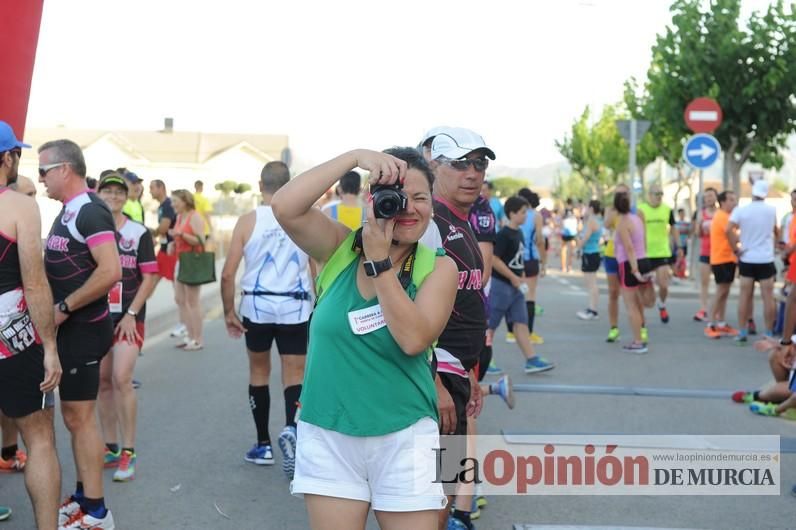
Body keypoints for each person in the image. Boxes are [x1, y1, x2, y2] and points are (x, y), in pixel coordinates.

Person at [272, 147, 456, 530]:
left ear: (432, 208)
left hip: (404, 436)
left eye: (420, 198)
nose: (408, 208)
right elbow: (285, 206)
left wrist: (379, 262)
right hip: (328, 431)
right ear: (373, 201)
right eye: (398, 197)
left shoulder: (438, 267)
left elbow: (413, 340)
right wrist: (354, 157)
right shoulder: (339, 248)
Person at [39, 139, 120, 529]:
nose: (41, 181)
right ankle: (85, 496)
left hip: (84, 330)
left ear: (64, 169)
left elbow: (110, 271)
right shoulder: (67, 211)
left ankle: (98, 512)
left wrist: (64, 307)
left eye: (44, 172)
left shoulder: (89, 211)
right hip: (72, 331)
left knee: (80, 418)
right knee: (74, 417)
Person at [418, 127, 494, 530]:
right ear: (435, 167)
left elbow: (463, 305)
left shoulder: (462, 221)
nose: (471, 173)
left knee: (443, 484)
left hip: (455, 373)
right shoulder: (427, 223)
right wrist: (436, 385)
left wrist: (469, 372)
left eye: (479, 164)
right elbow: (405, 314)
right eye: (460, 163)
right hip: (432, 378)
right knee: (431, 490)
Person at [221, 161, 311, 478]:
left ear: (261, 185)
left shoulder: (248, 221)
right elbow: (317, 265)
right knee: (295, 375)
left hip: (256, 307)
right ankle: (292, 431)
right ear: (289, 185)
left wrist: (229, 311)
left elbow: (229, 272)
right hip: (296, 306)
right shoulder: (304, 219)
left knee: (259, 371)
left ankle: (263, 445)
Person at [0, 122, 62, 530]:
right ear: (7, 158)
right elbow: (34, 281)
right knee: (38, 439)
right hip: (14, 336)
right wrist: (51, 346)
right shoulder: (20, 206)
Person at [95, 173, 158, 483]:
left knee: (122, 378)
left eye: (118, 191)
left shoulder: (138, 232)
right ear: (97, 193)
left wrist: (132, 312)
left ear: (127, 196)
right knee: (102, 382)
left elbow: (150, 277)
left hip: (128, 319)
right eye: (107, 190)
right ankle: (109, 445)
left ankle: (128, 452)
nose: (113, 196)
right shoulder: (89, 229)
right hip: (95, 318)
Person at [490, 195, 555, 375]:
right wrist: (512, 276)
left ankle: (531, 360)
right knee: (490, 325)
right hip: (501, 285)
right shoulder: (503, 234)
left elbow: (518, 259)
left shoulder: (519, 233)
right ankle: (484, 359)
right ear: (512, 213)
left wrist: (522, 276)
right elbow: (494, 259)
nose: (526, 216)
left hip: (516, 286)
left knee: (521, 322)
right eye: (522, 212)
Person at [727, 179, 778, 343]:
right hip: (765, 258)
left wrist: (736, 248)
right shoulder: (771, 210)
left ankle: (742, 332)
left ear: (752, 192)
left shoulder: (741, 210)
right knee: (768, 297)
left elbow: (728, 230)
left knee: (744, 296)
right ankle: (769, 333)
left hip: (747, 258)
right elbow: (775, 231)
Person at [615, 191, 655, 353]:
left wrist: (635, 269)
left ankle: (638, 342)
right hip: (644, 259)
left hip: (629, 265)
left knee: (631, 305)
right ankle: (641, 336)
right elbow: (642, 243)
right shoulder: (637, 219)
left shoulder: (623, 223)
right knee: (639, 304)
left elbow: (629, 248)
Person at [169, 189, 206, 350]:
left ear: (184, 201)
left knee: (193, 302)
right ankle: (189, 336)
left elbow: (201, 241)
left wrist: (181, 235)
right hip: (180, 261)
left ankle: (197, 339)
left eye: (175, 201)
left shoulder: (195, 216)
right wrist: (173, 242)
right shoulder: (179, 217)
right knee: (179, 299)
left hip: (192, 262)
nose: (173, 204)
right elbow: (178, 236)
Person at [637, 183, 676, 324]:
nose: (659, 197)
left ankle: (662, 304)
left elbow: (673, 227)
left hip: (662, 252)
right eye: (656, 194)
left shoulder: (667, 209)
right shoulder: (641, 209)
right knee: (642, 288)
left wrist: (678, 246)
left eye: (661, 194)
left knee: (664, 284)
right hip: (644, 253)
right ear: (649, 195)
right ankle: (641, 318)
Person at [704, 191, 739, 339]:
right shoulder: (722, 216)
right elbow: (732, 235)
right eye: (730, 200)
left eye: (734, 199)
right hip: (720, 259)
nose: (734, 202)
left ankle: (721, 323)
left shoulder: (728, 216)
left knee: (725, 293)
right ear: (722, 202)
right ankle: (710, 324)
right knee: (720, 292)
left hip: (729, 258)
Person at [149, 180, 182, 337]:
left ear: (161, 188)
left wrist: (148, 233)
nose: (149, 191)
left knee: (179, 291)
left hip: (171, 252)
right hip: (163, 251)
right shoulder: (162, 206)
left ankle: (184, 323)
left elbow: (164, 228)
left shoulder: (168, 205)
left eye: (152, 188)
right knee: (148, 283)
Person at [515, 188, 546, 346]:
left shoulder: (513, 214)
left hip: (515, 259)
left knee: (517, 295)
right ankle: (529, 333)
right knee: (530, 296)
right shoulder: (536, 216)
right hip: (531, 258)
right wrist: (544, 262)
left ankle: (513, 332)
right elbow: (540, 240)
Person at [602, 184, 631, 343]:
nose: (622, 197)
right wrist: (613, 210)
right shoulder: (611, 210)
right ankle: (614, 328)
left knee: (632, 294)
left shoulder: (634, 211)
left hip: (629, 256)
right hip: (612, 255)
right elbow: (606, 225)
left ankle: (640, 326)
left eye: (624, 194)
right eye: (618, 194)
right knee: (613, 293)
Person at [576, 200, 603, 320]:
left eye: (587, 207)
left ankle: (593, 310)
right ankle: (592, 308)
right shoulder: (597, 220)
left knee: (591, 283)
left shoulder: (592, 221)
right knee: (591, 283)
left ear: (591, 208)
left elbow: (585, 238)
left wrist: (578, 247)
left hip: (590, 253)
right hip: (593, 252)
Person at [693, 188, 718, 321]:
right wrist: (700, 224)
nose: (709, 199)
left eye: (711, 196)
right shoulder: (701, 214)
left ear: (716, 197)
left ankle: (716, 309)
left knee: (719, 284)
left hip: (719, 253)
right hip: (705, 252)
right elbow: (697, 234)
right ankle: (703, 309)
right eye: (707, 196)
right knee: (704, 283)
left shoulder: (720, 213)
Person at [560, 202, 578, 273]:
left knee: (564, 250)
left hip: (565, 231)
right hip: (572, 231)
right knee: (570, 251)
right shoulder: (575, 210)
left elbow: (561, 218)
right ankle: (569, 267)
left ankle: (563, 267)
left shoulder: (564, 211)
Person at [674, 208, 691, 279]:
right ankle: (677, 273)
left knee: (683, 259)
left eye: (683, 213)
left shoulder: (687, 224)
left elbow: (690, 232)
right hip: (678, 244)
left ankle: (682, 273)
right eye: (681, 213)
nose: (682, 215)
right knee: (678, 259)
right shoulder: (676, 224)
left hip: (685, 244)